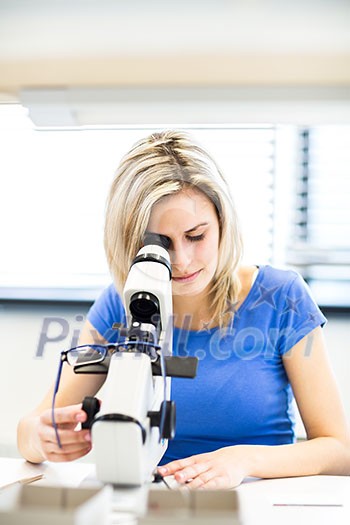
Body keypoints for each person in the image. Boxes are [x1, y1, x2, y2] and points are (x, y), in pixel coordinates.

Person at [17, 130, 350, 489]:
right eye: (162, 246)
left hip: (256, 497)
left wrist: (242, 459)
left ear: (223, 224)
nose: (183, 260)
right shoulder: (124, 303)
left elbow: (339, 451)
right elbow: (30, 429)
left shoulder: (281, 299)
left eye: (196, 236)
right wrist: (43, 437)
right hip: (155, 501)